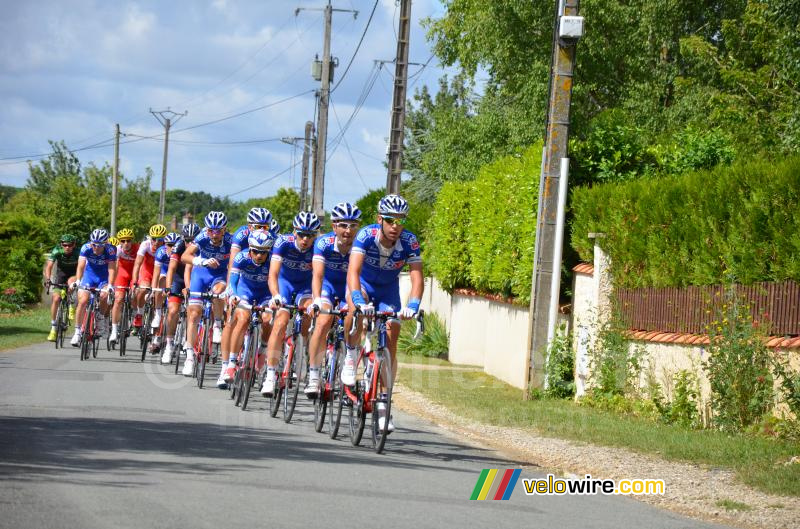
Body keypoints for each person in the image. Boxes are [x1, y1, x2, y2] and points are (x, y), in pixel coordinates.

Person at [343, 194, 424, 433]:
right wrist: (357, 299)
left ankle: (384, 404)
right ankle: (350, 353)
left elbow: (417, 277)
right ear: (380, 219)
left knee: (391, 336)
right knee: (353, 309)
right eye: (390, 220)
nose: (395, 226)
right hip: (364, 286)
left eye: (400, 220)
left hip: (388, 291)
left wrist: (413, 304)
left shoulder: (410, 241)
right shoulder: (366, 236)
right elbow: (353, 272)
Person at [304, 202, 362, 397]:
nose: (348, 230)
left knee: (353, 316)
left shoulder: (361, 244)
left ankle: (348, 362)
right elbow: (318, 275)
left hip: (348, 286)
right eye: (343, 225)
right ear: (334, 226)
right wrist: (317, 300)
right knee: (323, 321)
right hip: (328, 286)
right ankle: (313, 376)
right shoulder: (323, 243)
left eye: (353, 225)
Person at [260, 211, 320, 396]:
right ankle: (270, 376)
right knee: (280, 321)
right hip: (284, 286)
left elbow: (319, 275)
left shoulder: (318, 246)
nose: (305, 239)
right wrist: (276, 295)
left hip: (305, 288)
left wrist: (317, 300)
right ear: (295, 232)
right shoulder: (282, 242)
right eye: (301, 234)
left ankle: (301, 348)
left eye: (310, 235)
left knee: (309, 311)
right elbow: (273, 274)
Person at [219, 207, 273, 384]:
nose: (259, 255)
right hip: (245, 290)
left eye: (265, 226)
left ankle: (262, 350)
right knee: (240, 319)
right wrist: (231, 293)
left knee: (268, 320)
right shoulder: (241, 248)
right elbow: (233, 277)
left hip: (265, 291)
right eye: (257, 226)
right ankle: (230, 363)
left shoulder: (273, 251)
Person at [180, 211, 232, 377]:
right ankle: (189, 357)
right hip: (201, 274)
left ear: (224, 230)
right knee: (194, 314)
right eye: (211, 230)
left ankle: (217, 324)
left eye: (218, 231)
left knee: (218, 292)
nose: (214, 234)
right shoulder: (202, 237)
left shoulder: (231, 241)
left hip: (220, 275)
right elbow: (185, 256)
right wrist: (201, 261)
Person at [160, 223, 199, 364]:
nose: (190, 243)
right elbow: (171, 268)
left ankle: (191, 342)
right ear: (183, 239)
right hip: (178, 278)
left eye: (193, 240)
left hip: (194, 279)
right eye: (187, 240)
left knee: (193, 312)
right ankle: (169, 345)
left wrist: (189, 287)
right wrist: (168, 287)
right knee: (173, 310)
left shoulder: (201, 246)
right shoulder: (178, 246)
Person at [70, 229, 117, 346]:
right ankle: (77, 333)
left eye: (99, 245)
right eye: (94, 244)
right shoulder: (86, 248)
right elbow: (81, 266)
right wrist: (78, 281)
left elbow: (112, 269)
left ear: (105, 244)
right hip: (89, 276)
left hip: (103, 278)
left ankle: (100, 316)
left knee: (104, 295)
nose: (95, 247)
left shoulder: (110, 250)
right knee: (83, 301)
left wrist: (110, 285)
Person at [130, 224, 168, 332]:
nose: (156, 242)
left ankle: (156, 316)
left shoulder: (167, 248)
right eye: (154, 239)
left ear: (164, 240)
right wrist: (134, 281)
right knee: (143, 289)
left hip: (160, 272)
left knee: (158, 293)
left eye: (160, 240)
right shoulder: (145, 245)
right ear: (150, 238)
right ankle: (140, 314)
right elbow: (137, 264)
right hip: (147, 272)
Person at [148, 231, 181, 353]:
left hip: (177, 276)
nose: (171, 248)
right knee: (160, 283)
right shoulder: (161, 252)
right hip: (164, 273)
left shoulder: (180, 252)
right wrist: (153, 289)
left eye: (174, 245)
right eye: (168, 244)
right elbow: (156, 273)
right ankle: (157, 312)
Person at [44, 234, 80, 341]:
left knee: (70, 283)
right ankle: (53, 328)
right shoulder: (57, 251)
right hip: (61, 274)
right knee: (56, 299)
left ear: (74, 245)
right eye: (64, 245)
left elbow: (83, 266)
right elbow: (49, 266)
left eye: (70, 245)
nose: (67, 247)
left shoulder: (78, 252)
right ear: (61, 244)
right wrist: (48, 279)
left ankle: (72, 304)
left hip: (74, 274)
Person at [109, 228, 139, 345]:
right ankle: (114, 330)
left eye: (128, 241)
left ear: (132, 241)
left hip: (134, 275)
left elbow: (141, 266)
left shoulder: (138, 249)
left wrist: (136, 282)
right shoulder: (117, 250)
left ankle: (134, 314)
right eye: (123, 241)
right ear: (119, 242)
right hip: (122, 274)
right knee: (119, 299)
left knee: (136, 293)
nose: (125, 243)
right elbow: (115, 267)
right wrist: (113, 283)